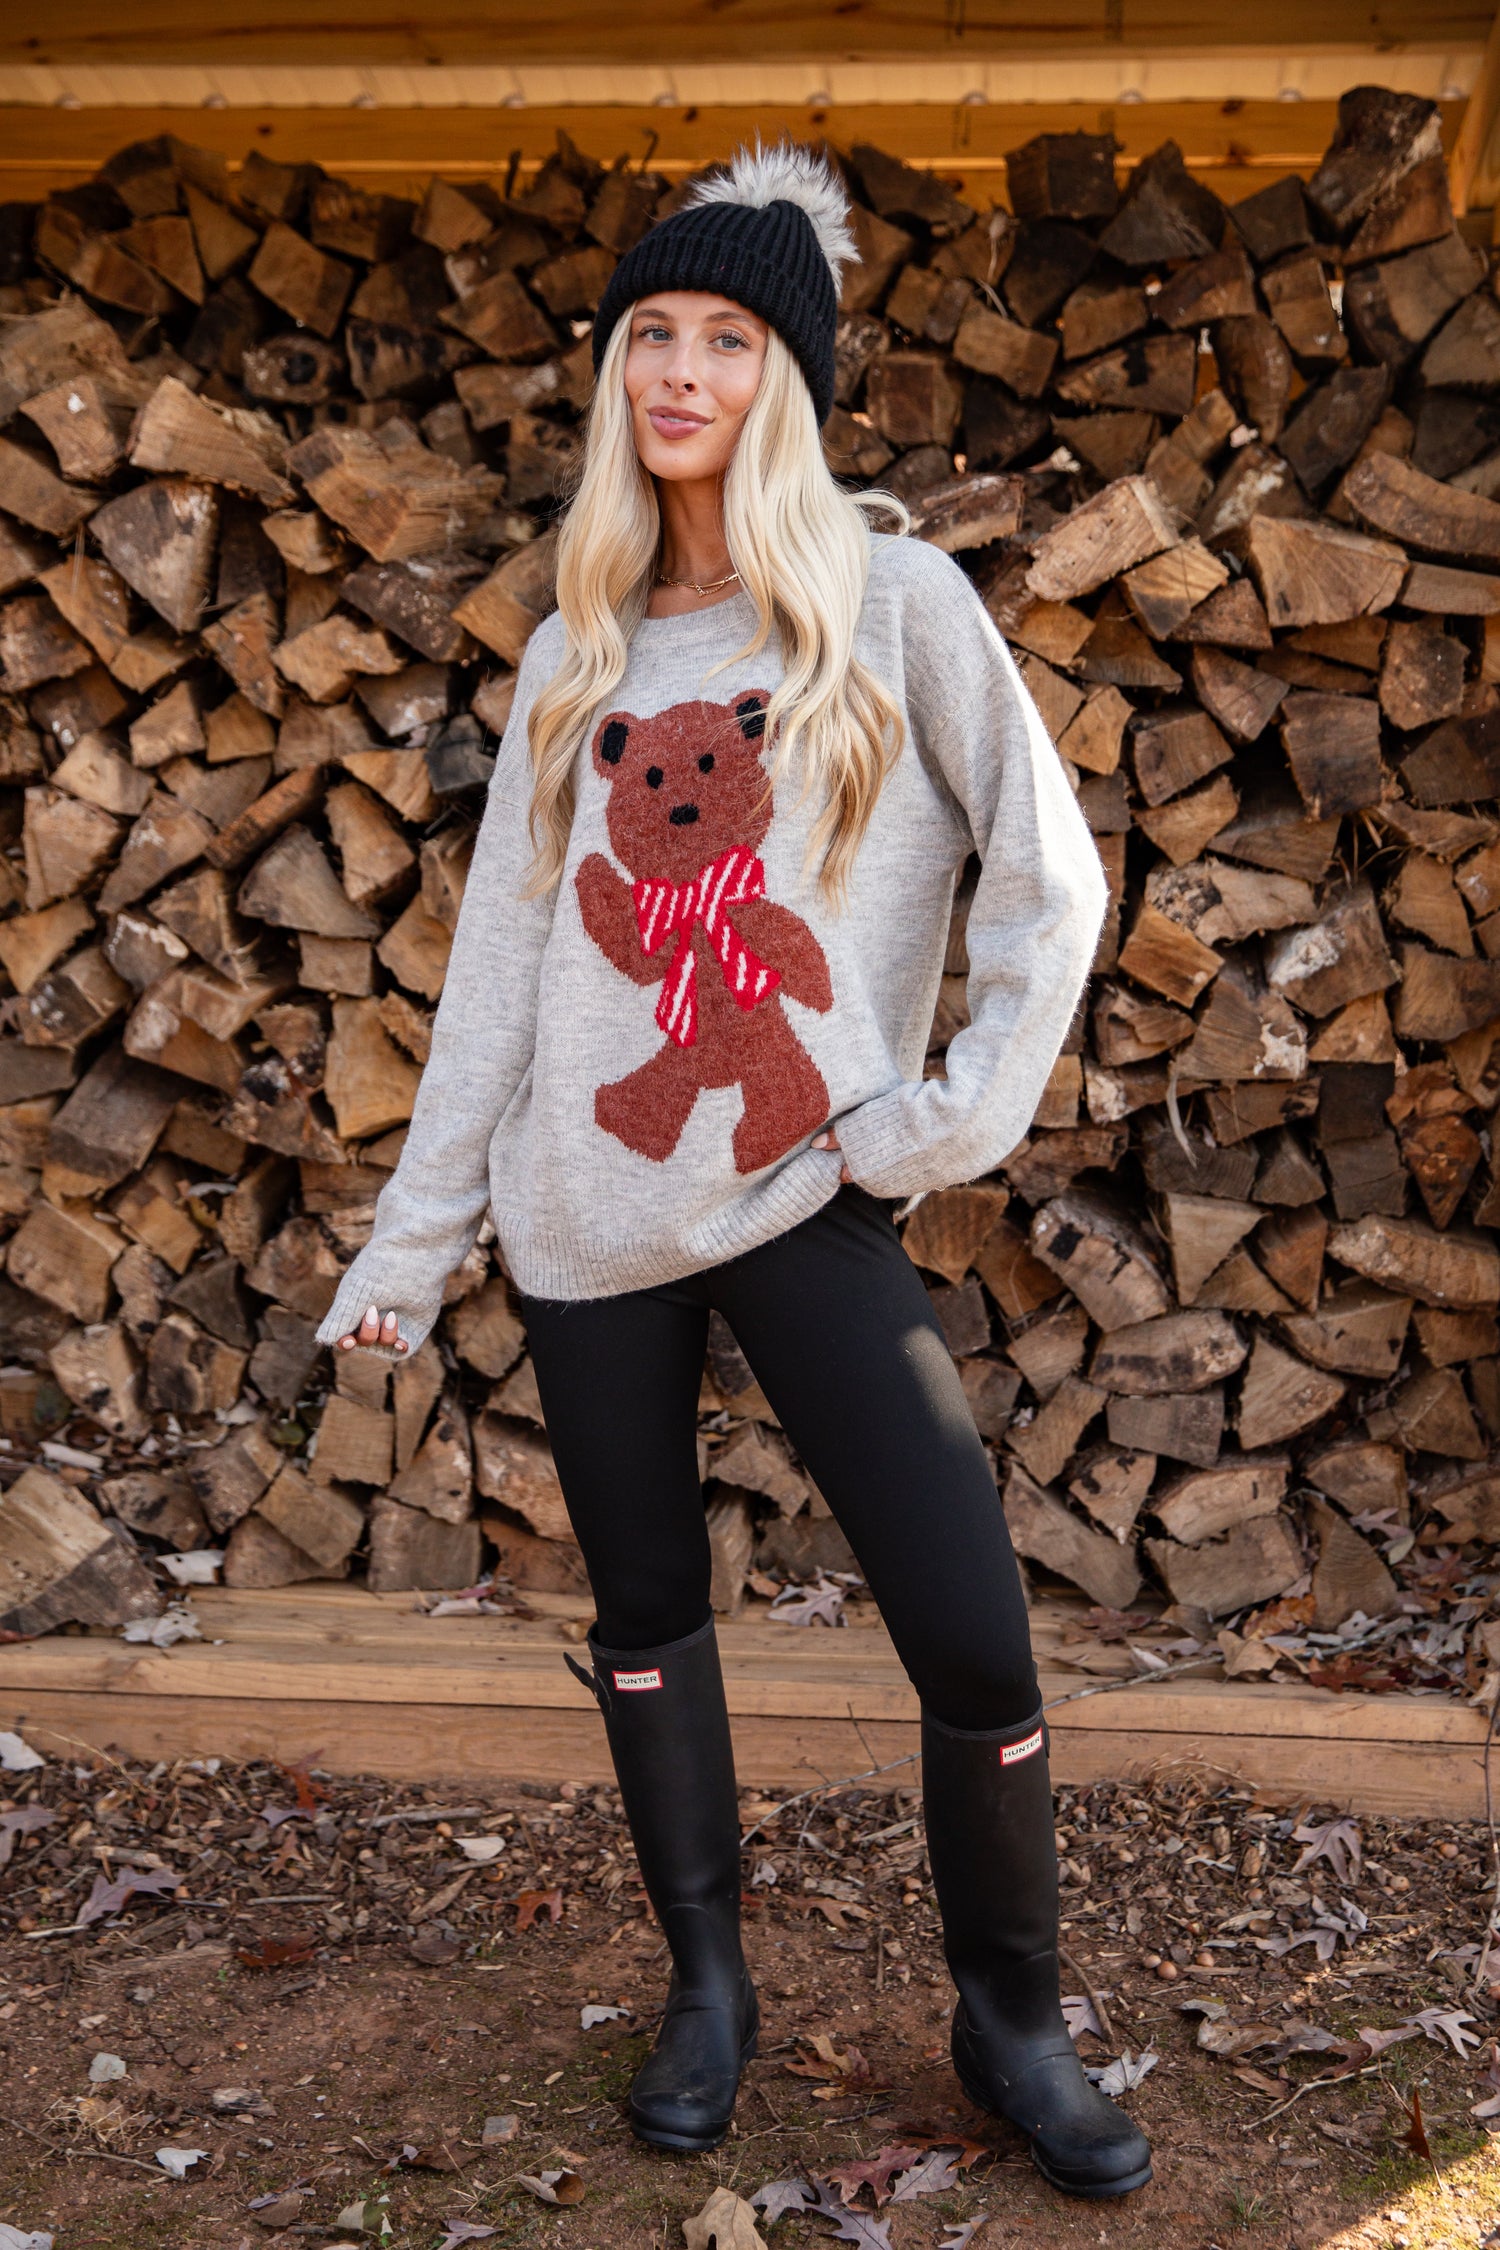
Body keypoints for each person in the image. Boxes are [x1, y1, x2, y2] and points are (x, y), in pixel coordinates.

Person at [317, 143, 1150, 2200]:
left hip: (804, 1196)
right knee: (647, 1612)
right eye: (651, 336)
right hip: (588, 1224)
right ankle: (711, 1987)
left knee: (970, 1629)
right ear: (614, 375)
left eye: (727, 337)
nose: (679, 370)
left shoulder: (893, 604)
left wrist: (933, 1125)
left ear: (790, 374)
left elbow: (1054, 887)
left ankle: (1012, 2021)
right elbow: (500, 989)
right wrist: (415, 1238)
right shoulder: (573, 658)